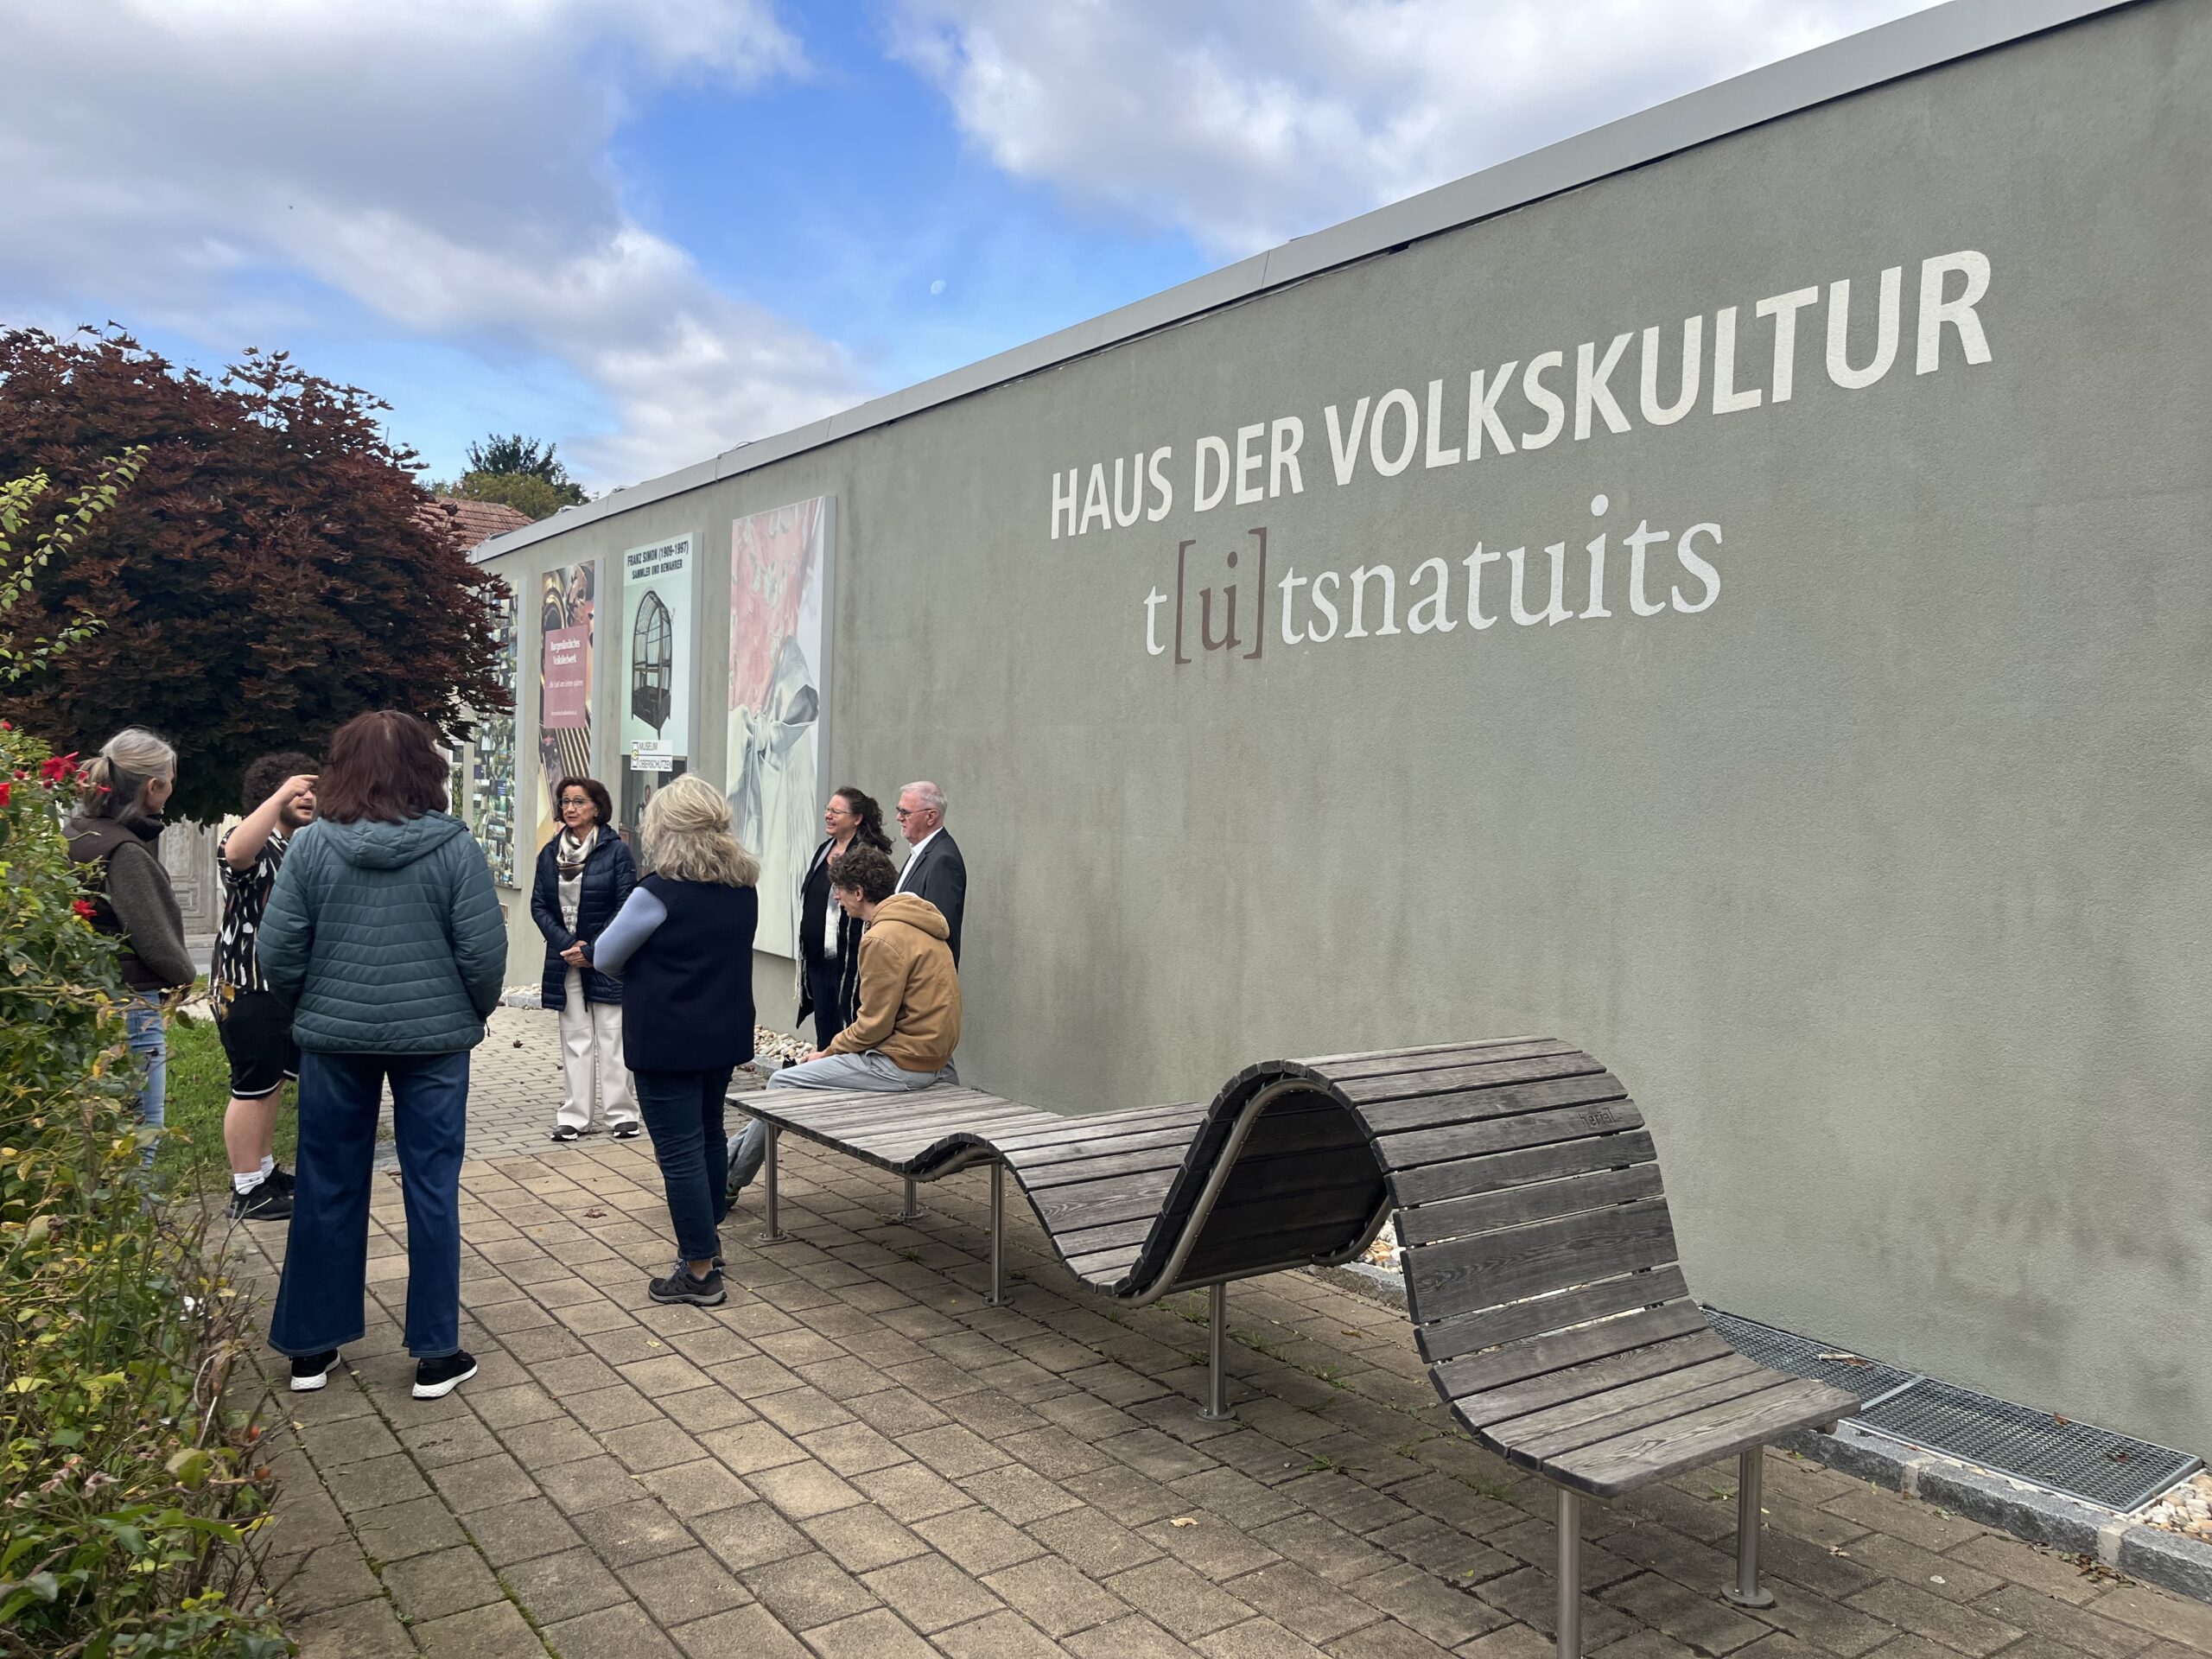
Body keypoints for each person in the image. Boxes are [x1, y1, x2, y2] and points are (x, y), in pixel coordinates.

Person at [258, 711, 505, 1401]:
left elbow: (278, 950)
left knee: (327, 1183)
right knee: (432, 1187)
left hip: (334, 1040)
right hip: (435, 1042)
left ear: (341, 767)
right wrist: (469, 1012)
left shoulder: (311, 846)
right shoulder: (455, 847)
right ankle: (436, 1352)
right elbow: (483, 953)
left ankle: (312, 1347)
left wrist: (313, 1005)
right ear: (426, 768)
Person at [585, 774, 758, 1308]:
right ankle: (709, 1239)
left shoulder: (655, 893)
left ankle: (699, 1270)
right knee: (708, 1134)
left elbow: (605, 956)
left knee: (679, 1151)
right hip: (723, 1031)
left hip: (667, 1037)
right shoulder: (743, 888)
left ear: (666, 829)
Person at [66, 728, 196, 1166]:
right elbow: (155, 940)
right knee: (139, 1137)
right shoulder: (125, 851)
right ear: (153, 787)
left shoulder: (78, 832)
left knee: (97, 1138)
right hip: (131, 1004)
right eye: (171, 780)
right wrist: (185, 977)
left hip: (87, 996)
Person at [213, 751, 319, 1220]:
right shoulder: (252, 841)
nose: (308, 798)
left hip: (280, 987)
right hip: (247, 984)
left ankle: (263, 1170)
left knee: (272, 1082)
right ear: (270, 795)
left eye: (312, 792)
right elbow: (236, 854)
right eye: (298, 791)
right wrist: (280, 795)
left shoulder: (296, 847)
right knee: (252, 1086)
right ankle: (246, 1189)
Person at [531, 775, 639, 1143]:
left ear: (597, 808)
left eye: (578, 801)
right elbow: (539, 906)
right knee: (575, 1037)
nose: (570, 808)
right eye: (565, 801)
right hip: (565, 958)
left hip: (606, 958)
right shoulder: (550, 853)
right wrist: (569, 945)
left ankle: (622, 1114)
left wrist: (593, 950)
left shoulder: (616, 851)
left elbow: (626, 905)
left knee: (612, 1036)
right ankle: (575, 1117)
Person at [796, 786, 891, 1051]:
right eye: (828, 809)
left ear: (857, 818)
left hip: (848, 960)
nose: (828, 815)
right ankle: (824, 1063)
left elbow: (872, 904)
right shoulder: (824, 850)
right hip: (818, 960)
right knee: (825, 1026)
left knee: (846, 1024)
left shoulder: (867, 856)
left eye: (836, 812)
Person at [892, 780, 965, 965]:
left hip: (924, 974)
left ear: (931, 817)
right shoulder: (922, 851)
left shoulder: (943, 860)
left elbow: (937, 928)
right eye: (899, 810)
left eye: (905, 812)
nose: (898, 817)